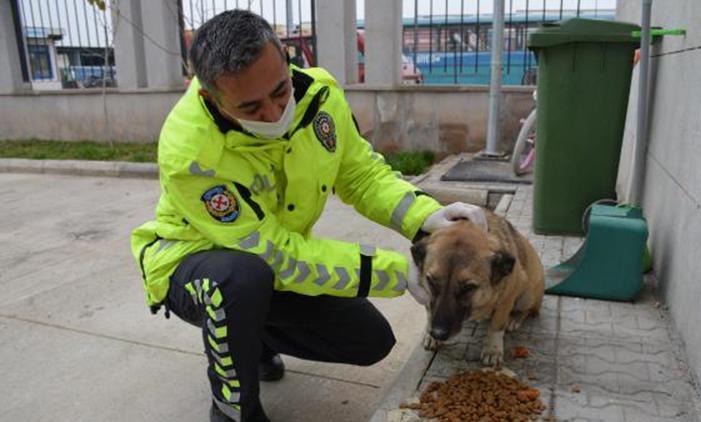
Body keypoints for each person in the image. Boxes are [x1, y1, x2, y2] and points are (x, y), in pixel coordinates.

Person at [130, 10, 486, 422]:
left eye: (280, 90)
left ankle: (250, 335)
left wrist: (430, 217)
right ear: (211, 98)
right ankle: (232, 409)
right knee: (240, 280)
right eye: (251, 106)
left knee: (368, 341)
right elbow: (272, 255)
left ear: (285, 58)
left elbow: (360, 174)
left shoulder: (319, 97)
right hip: (192, 263)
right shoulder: (190, 151)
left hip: (267, 265)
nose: (274, 112)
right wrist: (394, 270)